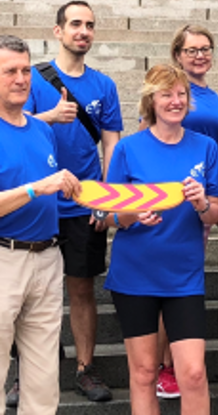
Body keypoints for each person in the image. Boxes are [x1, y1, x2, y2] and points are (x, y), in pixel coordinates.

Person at [103, 64, 218, 415]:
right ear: (151, 100)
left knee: (194, 373)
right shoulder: (128, 149)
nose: (175, 101)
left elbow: (215, 213)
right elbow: (110, 217)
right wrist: (132, 214)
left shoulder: (205, 148)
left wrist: (202, 203)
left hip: (183, 276)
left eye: (181, 94)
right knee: (143, 373)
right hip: (135, 274)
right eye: (166, 94)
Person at [20, 0, 123, 402]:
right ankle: (23, 371)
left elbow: (112, 146)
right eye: (75, 24)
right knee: (31, 292)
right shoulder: (30, 78)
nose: (83, 31)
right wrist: (49, 115)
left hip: (84, 203)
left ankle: (85, 367)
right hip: (38, 204)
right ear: (58, 31)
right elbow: (13, 128)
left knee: (81, 289)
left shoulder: (104, 85)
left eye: (90, 25)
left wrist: (107, 199)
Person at [138, 23, 218, 400]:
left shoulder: (211, 95)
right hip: (167, 197)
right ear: (177, 53)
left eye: (205, 48)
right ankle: (166, 365)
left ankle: (180, 360)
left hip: (201, 191)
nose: (199, 55)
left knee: (183, 277)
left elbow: (217, 143)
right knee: (166, 279)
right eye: (191, 49)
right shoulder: (168, 87)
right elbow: (148, 135)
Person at [0, 34, 81, 415]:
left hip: (48, 258)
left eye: (25, 70)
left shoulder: (41, 129)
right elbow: (35, 187)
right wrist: (36, 189)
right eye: (10, 71)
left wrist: (73, 191)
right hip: (5, 259)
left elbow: (47, 186)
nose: (21, 79)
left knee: (44, 377)